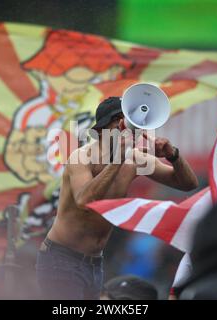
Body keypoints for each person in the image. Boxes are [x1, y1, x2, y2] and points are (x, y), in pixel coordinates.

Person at [35, 96, 199, 299]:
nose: (128, 130)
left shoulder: (135, 159)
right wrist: (117, 160)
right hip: (61, 259)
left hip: (95, 263)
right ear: (103, 129)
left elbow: (188, 184)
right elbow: (84, 201)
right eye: (120, 123)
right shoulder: (81, 158)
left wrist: (173, 155)